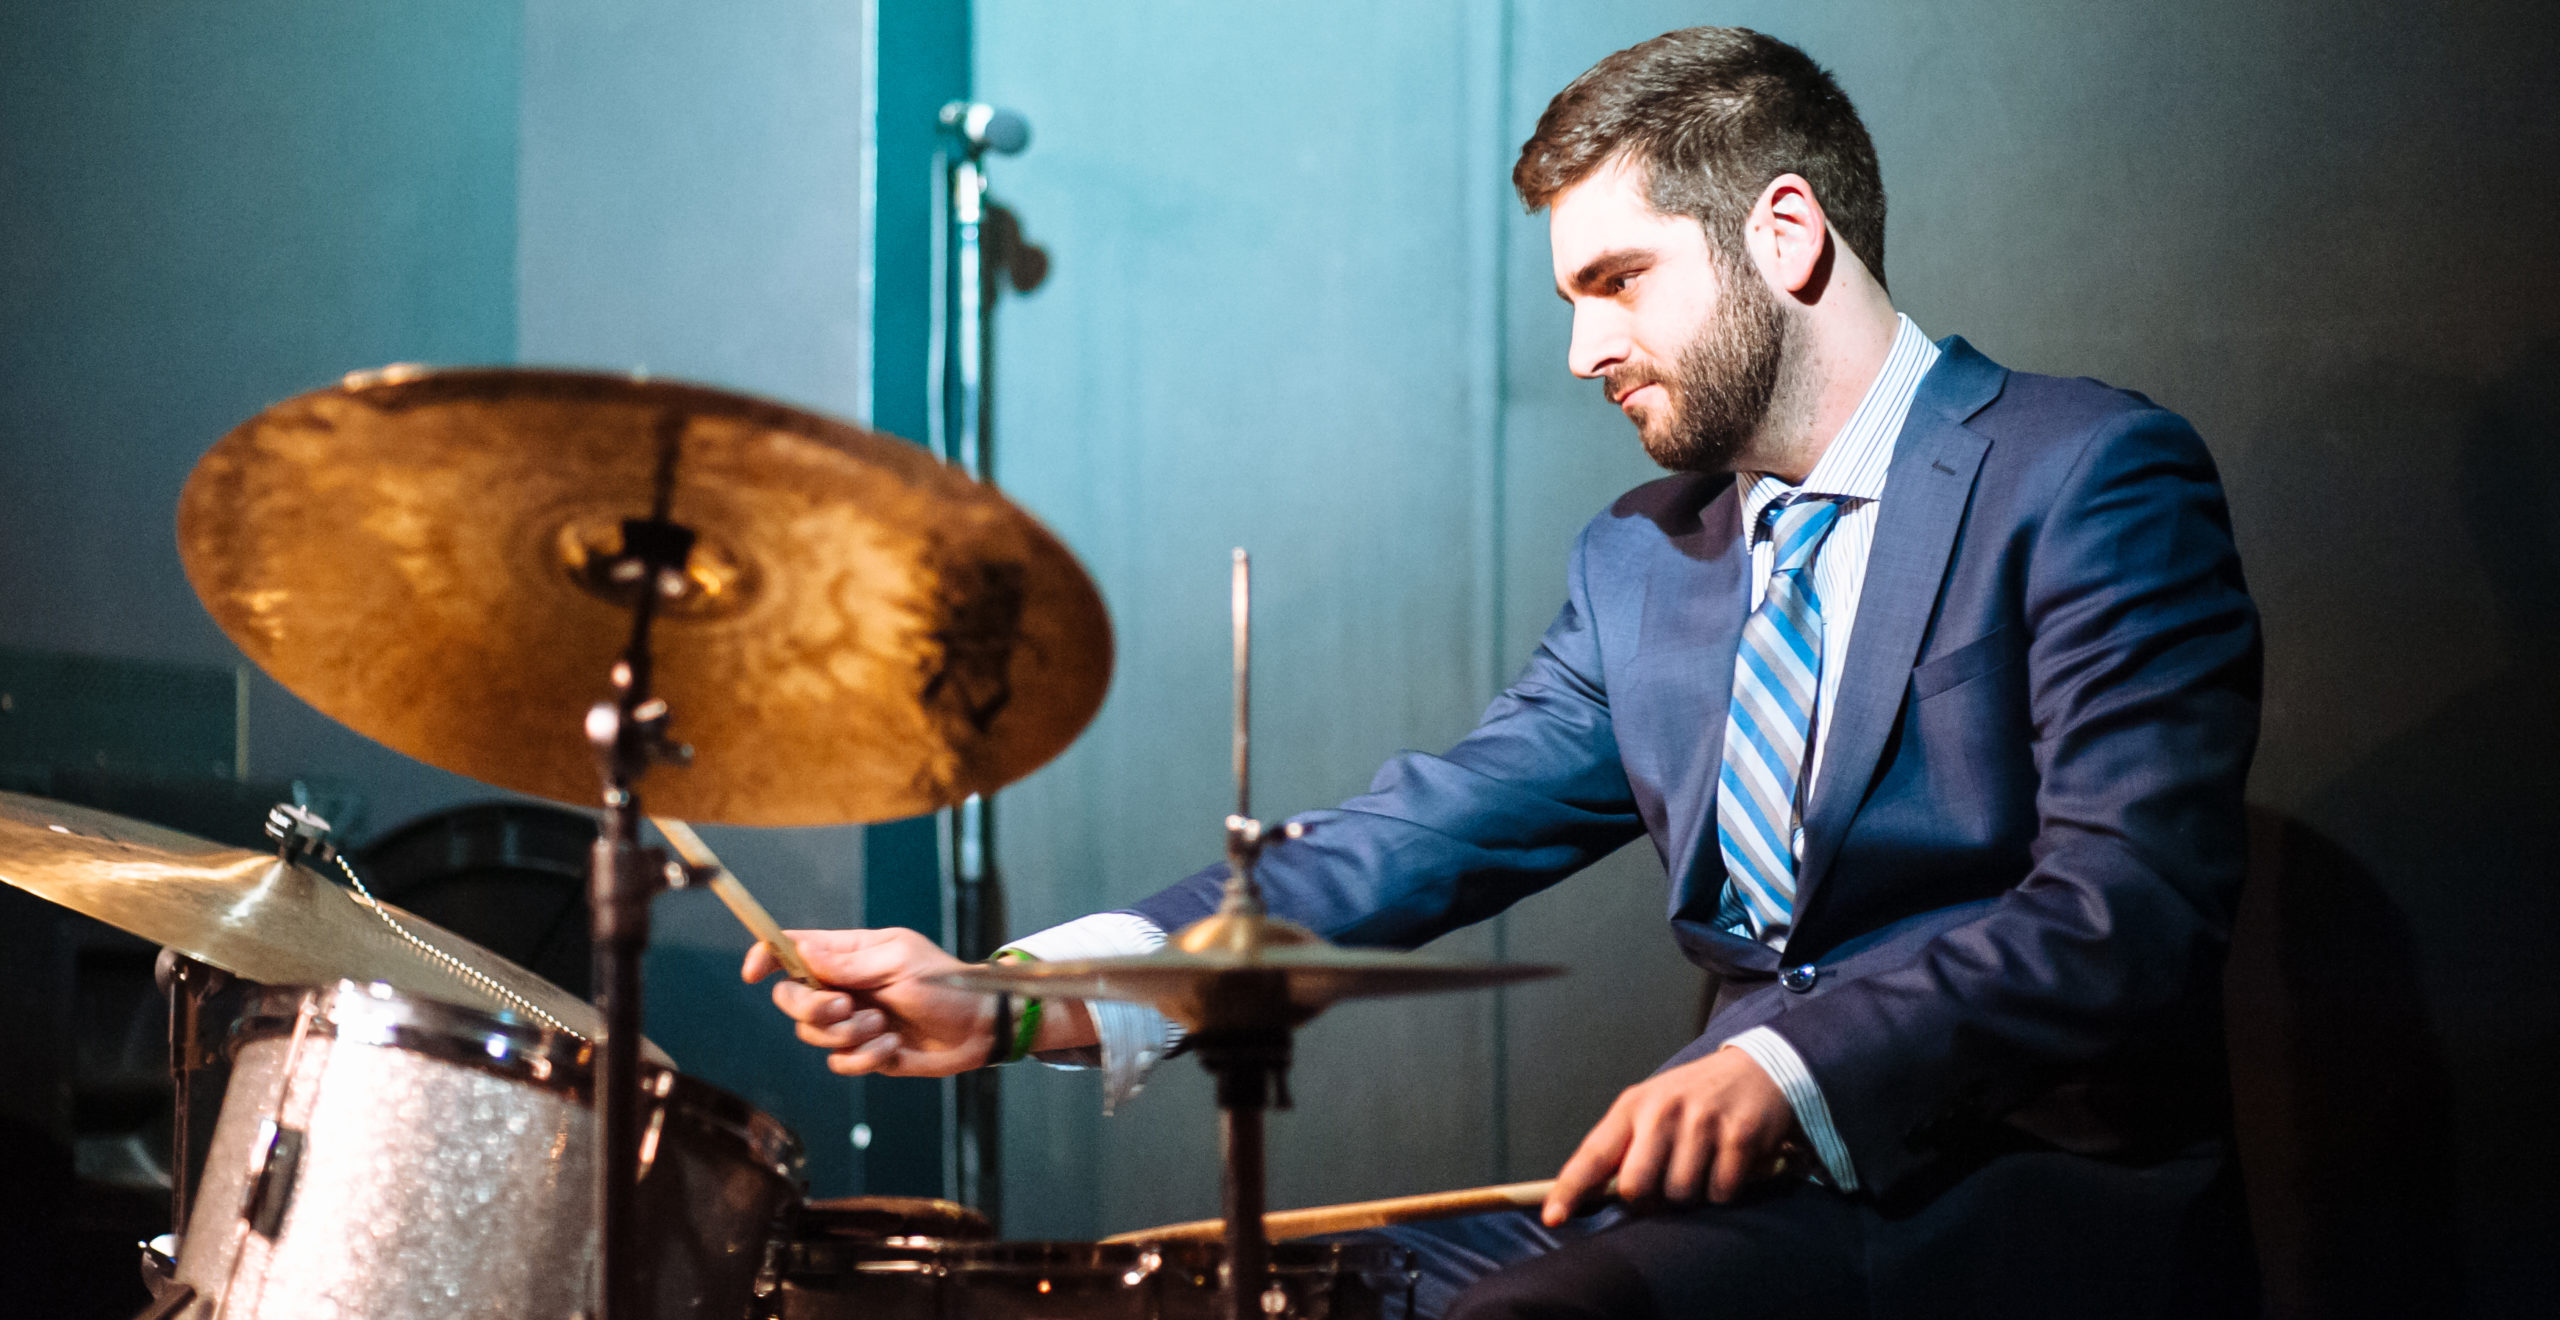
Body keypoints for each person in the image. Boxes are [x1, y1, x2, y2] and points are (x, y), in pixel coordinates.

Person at [746, 26, 2262, 1319]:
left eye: (1619, 280)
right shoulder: (1640, 562)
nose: (1584, 348)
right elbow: (1408, 839)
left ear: (1785, 232)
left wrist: (1789, 1066)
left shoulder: (2086, 475)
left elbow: (2125, 914)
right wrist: (1017, 1002)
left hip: (2017, 1207)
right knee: (1317, 1292)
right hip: (1744, 1213)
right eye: (1569, 300)